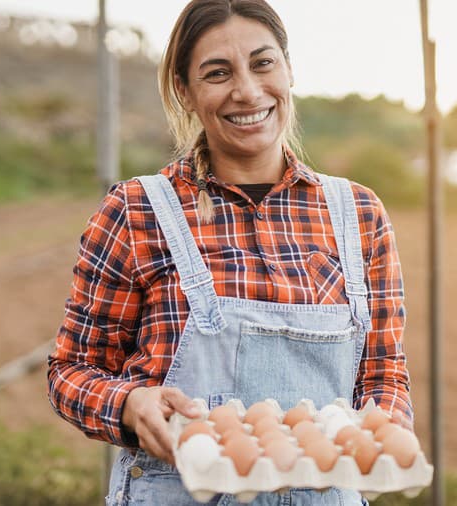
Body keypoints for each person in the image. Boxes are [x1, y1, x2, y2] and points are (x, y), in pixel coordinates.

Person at [47, 1, 414, 504]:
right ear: (186, 92)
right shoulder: (137, 212)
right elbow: (71, 371)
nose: (246, 90)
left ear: (288, 69)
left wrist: (381, 430)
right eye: (218, 73)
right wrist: (131, 403)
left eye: (263, 63)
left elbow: (383, 374)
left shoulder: (359, 215)